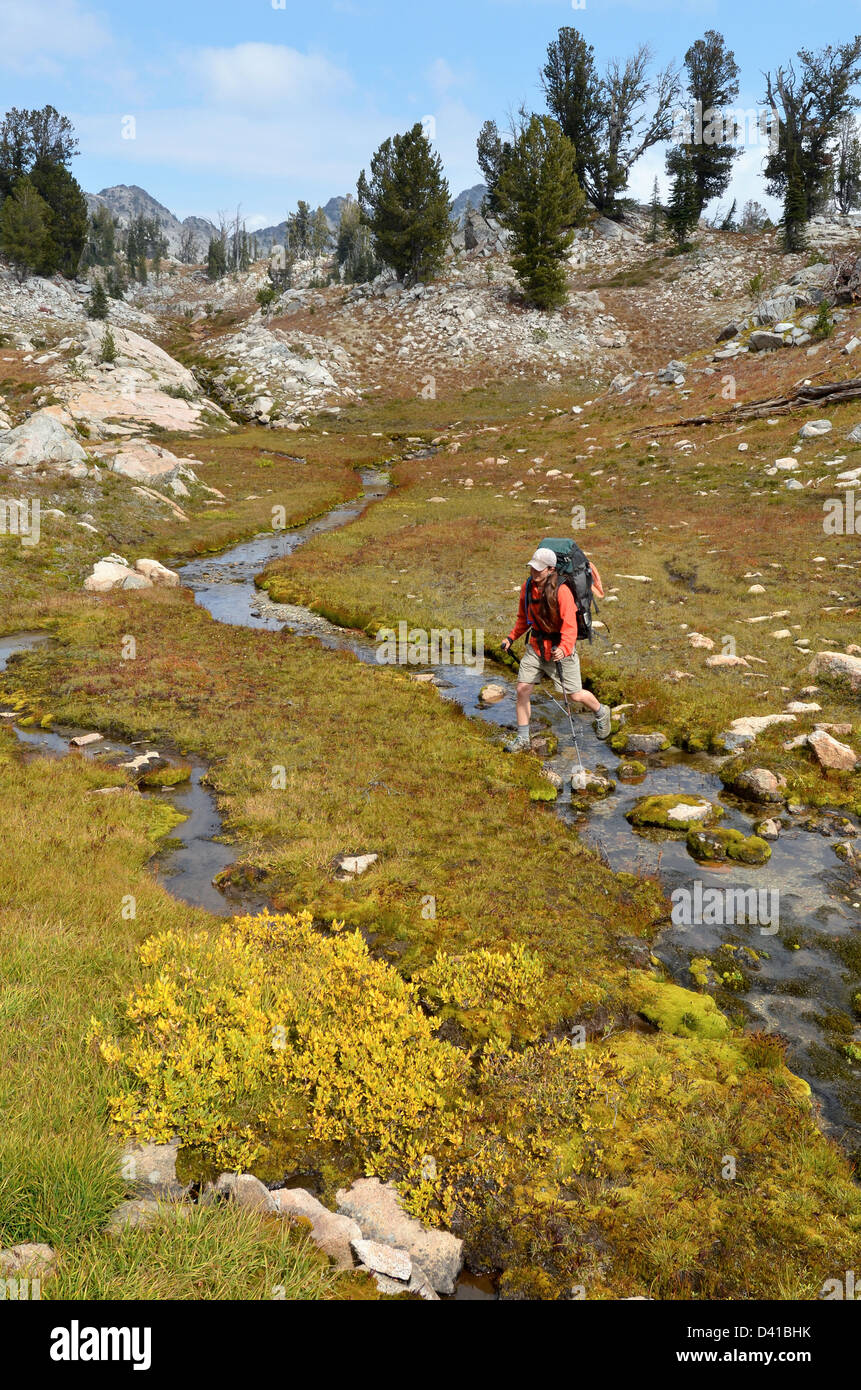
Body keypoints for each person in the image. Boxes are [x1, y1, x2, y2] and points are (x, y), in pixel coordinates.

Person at [500, 546, 612, 750]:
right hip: (535, 646)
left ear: (551, 569)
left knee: (575, 695)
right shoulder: (527, 587)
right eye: (532, 568)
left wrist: (565, 648)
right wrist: (511, 637)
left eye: (539, 569)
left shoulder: (562, 591)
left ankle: (601, 711)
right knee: (522, 689)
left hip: (560, 650)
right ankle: (523, 739)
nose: (534, 572)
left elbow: (570, 625)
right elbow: (523, 619)